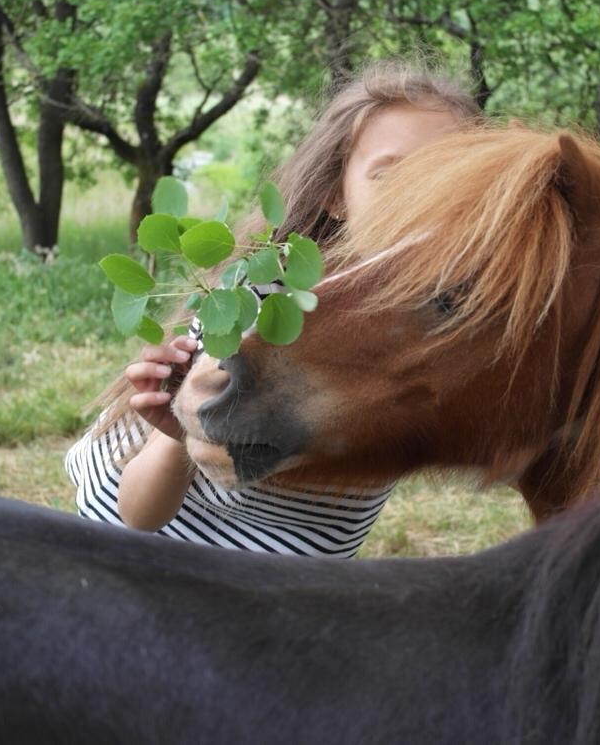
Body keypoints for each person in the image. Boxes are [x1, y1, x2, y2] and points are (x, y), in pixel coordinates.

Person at [65, 61, 482, 557]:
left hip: (284, 578)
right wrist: (184, 429)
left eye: (450, 180)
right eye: (390, 176)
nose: (422, 200)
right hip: (146, 551)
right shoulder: (265, 297)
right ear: (335, 196)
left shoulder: (451, 326)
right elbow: (138, 516)